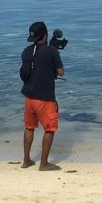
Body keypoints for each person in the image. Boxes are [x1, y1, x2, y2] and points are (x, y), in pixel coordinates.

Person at [20, 21, 65, 171]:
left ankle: (26, 160)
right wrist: (55, 56)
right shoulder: (51, 51)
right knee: (50, 129)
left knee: (29, 127)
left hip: (29, 97)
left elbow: (36, 66)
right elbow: (60, 72)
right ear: (45, 35)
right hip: (44, 98)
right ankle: (44, 163)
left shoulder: (26, 51)